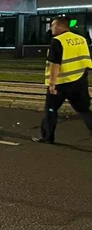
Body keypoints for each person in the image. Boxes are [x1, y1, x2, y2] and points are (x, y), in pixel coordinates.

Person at [34, 16, 92, 144]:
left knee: (51, 109)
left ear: (60, 26)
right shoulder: (81, 39)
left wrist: (52, 83)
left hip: (62, 83)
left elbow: (55, 64)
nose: (51, 28)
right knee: (84, 110)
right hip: (80, 80)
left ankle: (47, 137)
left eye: (53, 25)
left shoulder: (58, 41)